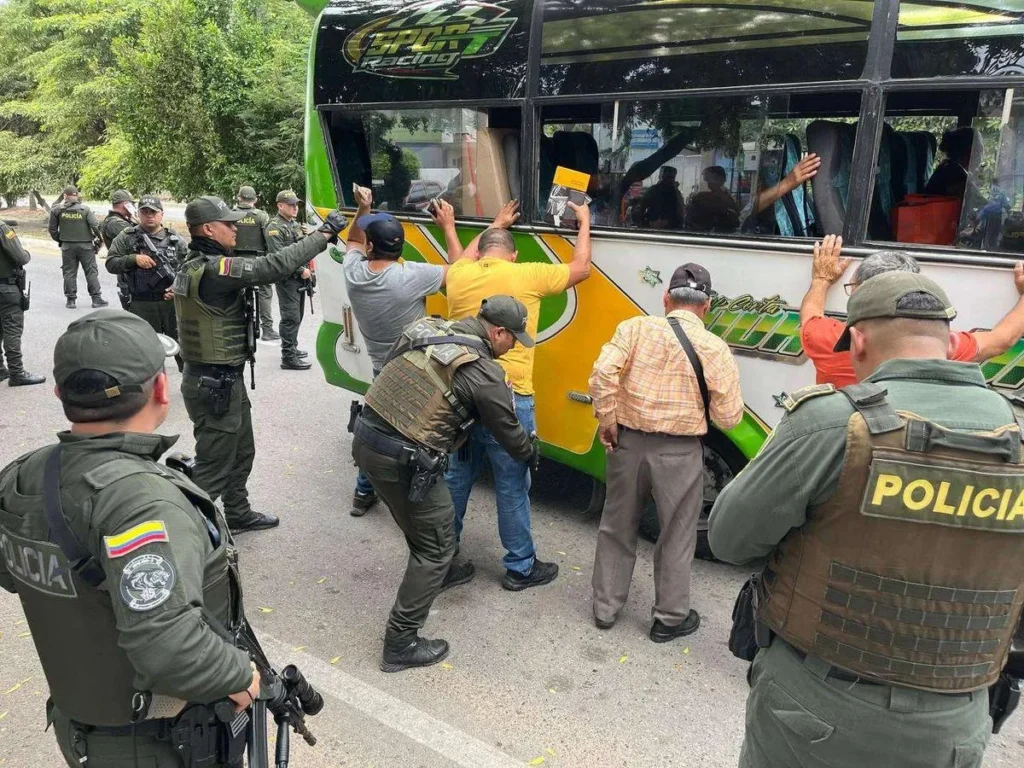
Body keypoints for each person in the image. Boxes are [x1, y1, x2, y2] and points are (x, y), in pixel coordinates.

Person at [708, 271, 1024, 768]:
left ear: (857, 342)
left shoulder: (831, 422)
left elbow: (729, 539)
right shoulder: (1017, 439)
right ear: (949, 343)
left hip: (817, 708)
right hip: (955, 724)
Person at [0, 309, 259, 767]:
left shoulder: (22, 475)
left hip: (82, 728)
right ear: (160, 388)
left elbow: (13, 574)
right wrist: (241, 676)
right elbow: (170, 647)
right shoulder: (145, 503)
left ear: (61, 393)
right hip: (159, 742)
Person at [352, 296, 537, 672]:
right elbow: (508, 432)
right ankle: (400, 642)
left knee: (430, 523)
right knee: (435, 545)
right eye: (514, 339)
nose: (515, 346)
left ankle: (445, 570)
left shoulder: (428, 328)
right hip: (401, 459)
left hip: (367, 438)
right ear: (498, 332)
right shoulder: (483, 371)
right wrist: (531, 452)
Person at [439, 201, 592, 590]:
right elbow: (581, 269)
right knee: (511, 483)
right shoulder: (528, 274)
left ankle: (441, 559)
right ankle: (520, 567)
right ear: (513, 255)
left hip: (460, 392)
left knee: (456, 476)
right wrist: (585, 221)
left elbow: (463, 256)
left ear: (482, 254)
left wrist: (495, 223)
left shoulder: (458, 274)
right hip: (509, 396)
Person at [173, 195, 346, 533]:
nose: (235, 228)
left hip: (222, 379)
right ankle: (184, 536)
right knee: (213, 466)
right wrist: (324, 234)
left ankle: (238, 513)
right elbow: (272, 267)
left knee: (242, 452)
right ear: (208, 229)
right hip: (213, 382)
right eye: (228, 223)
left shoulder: (195, 262)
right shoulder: (216, 269)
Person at [588, 264, 743, 640]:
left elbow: (602, 373)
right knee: (677, 533)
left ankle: (605, 608)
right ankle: (669, 619)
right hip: (679, 452)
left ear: (666, 299)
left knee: (616, 525)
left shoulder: (634, 328)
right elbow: (729, 417)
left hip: (626, 443)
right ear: (706, 306)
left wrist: (608, 419)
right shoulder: (715, 348)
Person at [343, 187, 517, 516]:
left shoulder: (353, 273)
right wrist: (495, 226)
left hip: (382, 370)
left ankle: (363, 492)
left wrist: (363, 208)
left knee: (380, 426)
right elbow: (462, 268)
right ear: (399, 247)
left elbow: (352, 239)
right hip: (416, 371)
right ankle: (421, 505)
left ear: (370, 246)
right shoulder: (410, 276)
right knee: (423, 435)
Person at [800, 234, 1024, 387]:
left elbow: (810, 314)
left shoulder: (828, 340)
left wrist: (821, 280)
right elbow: (1001, 339)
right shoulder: (938, 345)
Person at [104, 196, 187, 370]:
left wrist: (178, 288)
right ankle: (153, 384)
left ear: (161, 214)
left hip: (172, 304)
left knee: (184, 352)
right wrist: (133, 259)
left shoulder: (176, 240)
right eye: (145, 211)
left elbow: (189, 270)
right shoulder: (126, 237)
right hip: (141, 304)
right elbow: (111, 263)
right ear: (138, 213)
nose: (149, 215)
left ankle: (190, 384)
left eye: (153, 212)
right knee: (146, 355)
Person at [267, 190, 312, 370]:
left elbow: (300, 249)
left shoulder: (293, 224)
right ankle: (288, 357)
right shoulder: (274, 227)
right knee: (290, 317)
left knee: (298, 315)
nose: (295, 208)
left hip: (300, 278)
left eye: (296, 205)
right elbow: (278, 257)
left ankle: (292, 347)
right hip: (287, 279)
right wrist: (301, 270)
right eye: (291, 205)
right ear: (280, 206)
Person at [0, 218, 45, 386]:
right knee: (12, 330)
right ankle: (17, 372)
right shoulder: (2, 228)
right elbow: (20, 257)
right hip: (5, 287)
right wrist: (26, 253)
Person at [48, 184, 108, 309]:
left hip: (67, 246)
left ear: (65, 196)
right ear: (76, 196)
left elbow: (52, 230)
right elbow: (95, 226)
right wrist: (101, 240)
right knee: (91, 271)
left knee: (69, 272)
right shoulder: (85, 210)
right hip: (86, 246)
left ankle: (71, 301)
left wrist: (61, 240)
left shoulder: (56, 210)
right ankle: (96, 299)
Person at [233, 185, 279, 341]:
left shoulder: (231, 215)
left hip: (236, 261)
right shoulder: (261, 216)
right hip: (258, 261)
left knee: (234, 291)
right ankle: (267, 329)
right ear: (255, 199)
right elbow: (269, 239)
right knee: (265, 292)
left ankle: (236, 328)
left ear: (239, 198)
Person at [685, 165, 740, 233]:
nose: (707, 183)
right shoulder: (705, 195)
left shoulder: (706, 197)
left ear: (720, 179)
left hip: (711, 233)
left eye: (709, 179)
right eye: (706, 180)